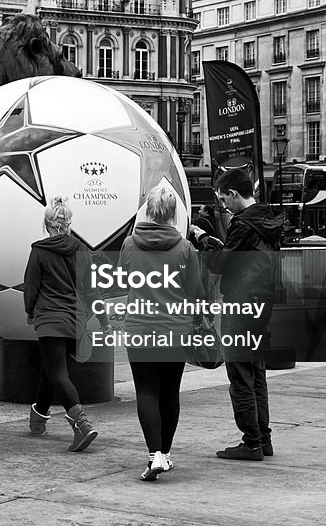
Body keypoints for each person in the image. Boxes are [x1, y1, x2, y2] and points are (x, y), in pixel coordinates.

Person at [196, 168, 283, 462]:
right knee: (256, 370)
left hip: (242, 304)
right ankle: (264, 438)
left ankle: (251, 442)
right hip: (263, 302)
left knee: (240, 373)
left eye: (223, 199)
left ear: (233, 194)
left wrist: (205, 239)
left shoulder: (243, 224)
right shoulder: (267, 220)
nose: (223, 205)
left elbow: (222, 264)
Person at [121, 184, 201, 481]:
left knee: (146, 390)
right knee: (169, 391)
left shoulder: (130, 244)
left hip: (140, 327)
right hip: (176, 329)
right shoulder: (185, 248)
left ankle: (153, 453)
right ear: (172, 214)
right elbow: (196, 292)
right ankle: (165, 454)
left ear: (148, 211)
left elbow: (124, 278)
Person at [24, 196, 99, 452]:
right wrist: (98, 318)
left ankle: (82, 425)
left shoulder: (40, 251)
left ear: (47, 224)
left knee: (57, 374)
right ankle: (37, 420)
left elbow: (31, 287)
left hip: (49, 319)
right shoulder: (81, 250)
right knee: (50, 369)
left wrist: (29, 311)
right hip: (73, 321)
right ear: (68, 223)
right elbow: (90, 290)